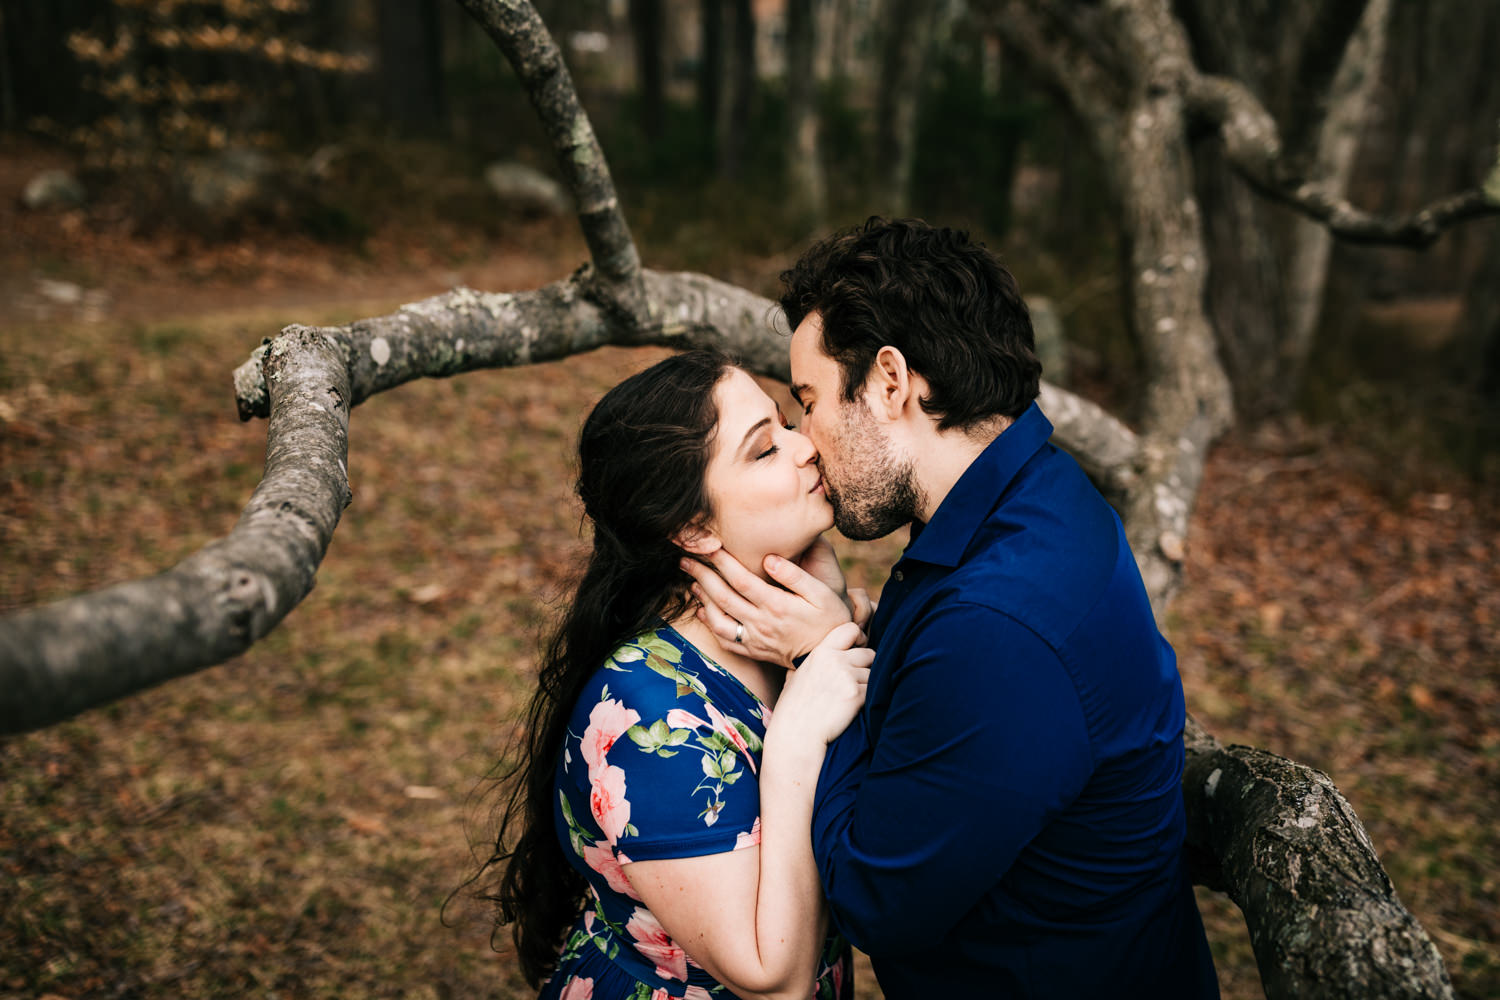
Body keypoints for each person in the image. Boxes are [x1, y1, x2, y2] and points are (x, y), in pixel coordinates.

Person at [682, 218, 1221, 998]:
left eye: (810, 401)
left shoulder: (999, 629)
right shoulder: (1033, 494)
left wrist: (822, 664)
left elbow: (875, 898)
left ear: (892, 381)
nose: (804, 441)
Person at [477, 349, 873, 1000]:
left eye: (785, 425)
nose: (805, 448)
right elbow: (774, 981)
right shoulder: (649, 717)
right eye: (764, 450)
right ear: (691, 527)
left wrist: (831, 634)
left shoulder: (792, 636)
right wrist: (796, 742)